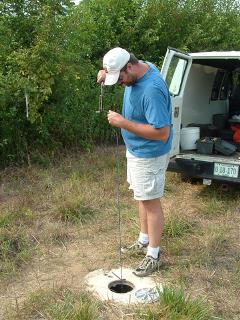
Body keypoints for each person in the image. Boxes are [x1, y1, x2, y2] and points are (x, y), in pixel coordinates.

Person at [97, 47, 172, 277]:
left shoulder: (151, 90)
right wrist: (106, 73)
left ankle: (154, 255)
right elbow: (119, 70)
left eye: (119, 78)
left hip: (150, 154)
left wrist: (123, 123)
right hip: (137, 151)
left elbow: (162, 133)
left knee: (151, 202)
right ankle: (143, 239)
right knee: (142, 197)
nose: (119, 83)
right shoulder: (140, 66)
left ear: (129, 67)